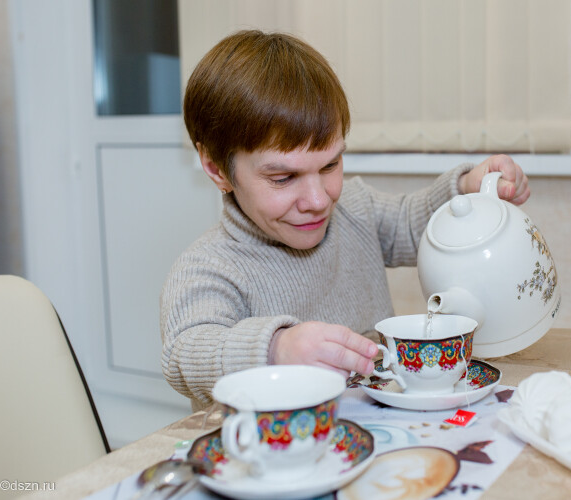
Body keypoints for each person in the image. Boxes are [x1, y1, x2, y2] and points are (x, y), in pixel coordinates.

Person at [161, 30, 530, 411]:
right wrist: (275, 348)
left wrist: (465, 191)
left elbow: (411, 223)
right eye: (283, 178)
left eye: (330, 164)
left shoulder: (354, 209)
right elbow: (185, 355)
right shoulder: (206, 268)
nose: (319, 200)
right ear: (216, 168)